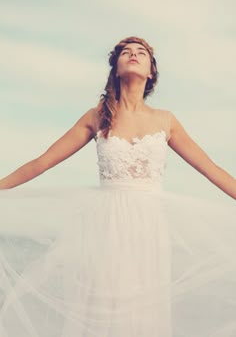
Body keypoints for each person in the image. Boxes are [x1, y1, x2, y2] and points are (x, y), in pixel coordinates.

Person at [0, 36, 235, 337]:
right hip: (106, 226)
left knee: (144, 310)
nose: (134, 55)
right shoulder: (96, 116)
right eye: (127, 52)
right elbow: (42, 162)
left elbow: (211, 169)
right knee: (105, 306)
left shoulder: (166, 121)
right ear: (116, 67)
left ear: (151, 72)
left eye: (142, 53)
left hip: (149, 228)